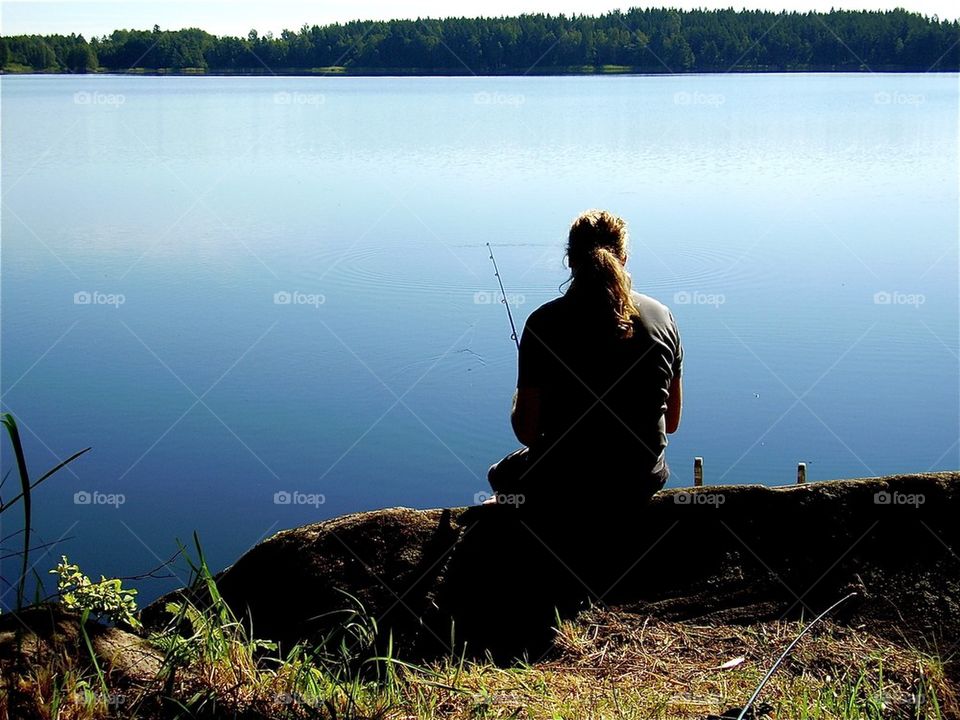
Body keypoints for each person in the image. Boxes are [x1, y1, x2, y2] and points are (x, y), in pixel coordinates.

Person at [487, 209, 683, 511]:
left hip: (565, 480)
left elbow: (526, 431)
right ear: (625, 258)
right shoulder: (662, 317)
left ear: (570, 260)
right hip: (642, 478)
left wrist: (518, 399)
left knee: (500, 475)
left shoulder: (543, 323)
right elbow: (670, 422)